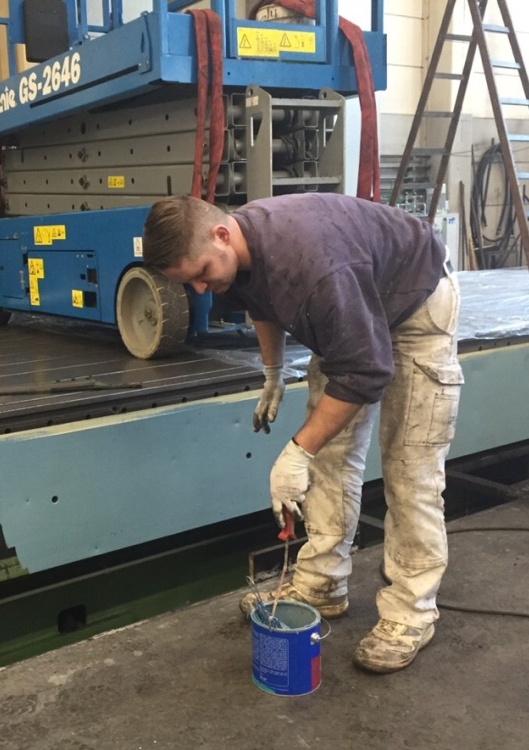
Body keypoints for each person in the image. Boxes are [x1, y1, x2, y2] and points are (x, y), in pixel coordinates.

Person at [141, 192, 463, 673]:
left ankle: (411, 612)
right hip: (354, 305)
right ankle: (322, 582)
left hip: (413, 305)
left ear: (221, 235)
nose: (202, 289)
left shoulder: (313, 265)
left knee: (408, 468)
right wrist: (272, 371)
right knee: (329, 457)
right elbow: (260, 302)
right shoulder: (236, 252)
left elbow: (367, 370)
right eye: (190, 282)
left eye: (202, 273)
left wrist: (296, 451)